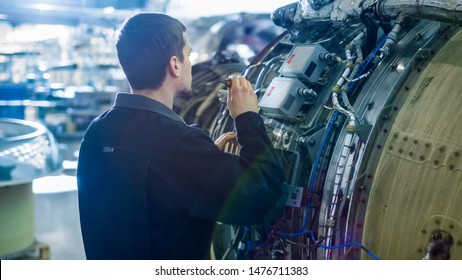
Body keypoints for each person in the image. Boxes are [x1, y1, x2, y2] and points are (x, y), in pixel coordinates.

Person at [77, 13, 286, 260]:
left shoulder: (97, 130)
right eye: (187, 55)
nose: (189, 64)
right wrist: (247, 117)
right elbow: (264, 197)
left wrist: (205, 161)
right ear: (174, 65)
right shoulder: (179, 145)